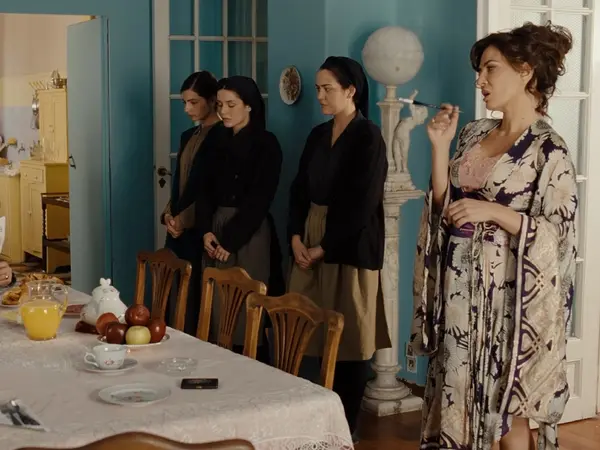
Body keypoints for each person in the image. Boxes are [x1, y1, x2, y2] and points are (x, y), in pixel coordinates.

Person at [410, 22, 577, 450]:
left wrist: (495, 212)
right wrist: (439, 147)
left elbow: (558, 236)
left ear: (525, 71)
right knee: (457, 393)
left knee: (505, 409)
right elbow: (445, 207)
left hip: (507, 300)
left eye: (490, 69)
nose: (480, 81)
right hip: (458, 291)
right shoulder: (474, 133)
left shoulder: (548, 150)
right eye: (478, 71)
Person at [287, 56, 391, 438]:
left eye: (326, 88)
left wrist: (326, 247)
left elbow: (363, 203)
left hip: (350, 244)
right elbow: (298, 189)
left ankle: (345, 428)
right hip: (310, 237)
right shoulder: (318, 135)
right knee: (302, 327)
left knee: (349, 336)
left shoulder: (368, 136)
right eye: (317, 88)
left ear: (350, 91)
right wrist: (296, 236)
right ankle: (309, 418)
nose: (319, 95)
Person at [196, 75, 283, 361]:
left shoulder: (267, 144)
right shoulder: (215, 139)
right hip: (214, 226)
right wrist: (206, 231)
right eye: (220, 105)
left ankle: (253, 371)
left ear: (249, 106)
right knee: (216, 309)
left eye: (231, 105)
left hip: (249, 233)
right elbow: (203, 189)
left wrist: (230, 241)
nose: (224, 111)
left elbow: (260, 199)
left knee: (247, 308)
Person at [161, 71, 226, 335]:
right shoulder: (188, 135)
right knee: (174, 292)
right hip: (177, 225)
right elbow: (179, 182)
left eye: (194, 102)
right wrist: (168, 214)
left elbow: (211, 188)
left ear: (211, 100)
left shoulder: (223, 135)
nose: (187, 109)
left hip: (200, 225)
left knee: (196, 296)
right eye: (185, 102)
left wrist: (184, 220)